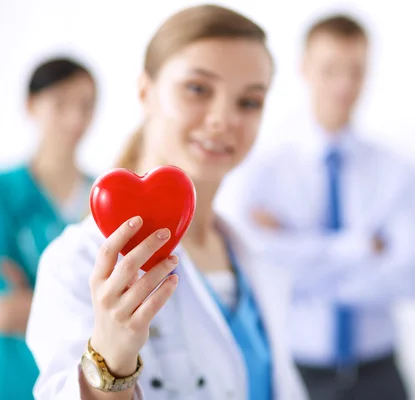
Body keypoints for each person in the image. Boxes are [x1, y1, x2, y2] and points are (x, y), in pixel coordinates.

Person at [26, 5, 308, 400]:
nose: (222, 119)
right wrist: (111, 361)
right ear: (145, 92)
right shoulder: (75, 262)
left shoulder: (256, 257)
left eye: (249, 102)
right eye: (198, 89)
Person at [219, 14, 415, 400]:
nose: (344, 84)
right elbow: (264, 270)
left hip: (380, 374)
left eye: (356, 70)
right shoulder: (262, 172)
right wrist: (363, 247)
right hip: (298, 373)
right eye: (331, 69)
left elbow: (412, 275)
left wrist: (300, 250)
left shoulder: (399, 172)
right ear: (303, 69)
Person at [0, 56, 97, 399]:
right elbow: (5, 311)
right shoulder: (5, 193)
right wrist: (91, 311)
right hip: (16, 381)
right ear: (31, 105)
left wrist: (35, 303)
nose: (76, 118)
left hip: (88, 385)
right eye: (60, 104)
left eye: (86, 105)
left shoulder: (105, 197)